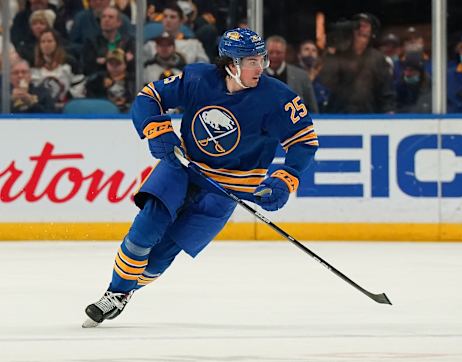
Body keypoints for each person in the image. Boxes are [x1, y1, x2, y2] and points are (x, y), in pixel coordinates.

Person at [82, 28, 318, 327]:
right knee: (145, 229)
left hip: (226, 189)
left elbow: (304, 141)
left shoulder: (278, 98)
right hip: (184, 167)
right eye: (251, 61)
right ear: (231, 63)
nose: (259, 67)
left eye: (262, 59)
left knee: (165, 251)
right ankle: (115, 293)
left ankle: (124, 293)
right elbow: (149, 97)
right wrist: (156, 129)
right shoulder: (197, 79)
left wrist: (286, 177)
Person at [265, 35, 319, 113]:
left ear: (285, 53)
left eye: (278, 52)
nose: (274, 56)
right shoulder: (256, 76)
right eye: (271, 52)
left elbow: (312, 107)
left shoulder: (301, 76)